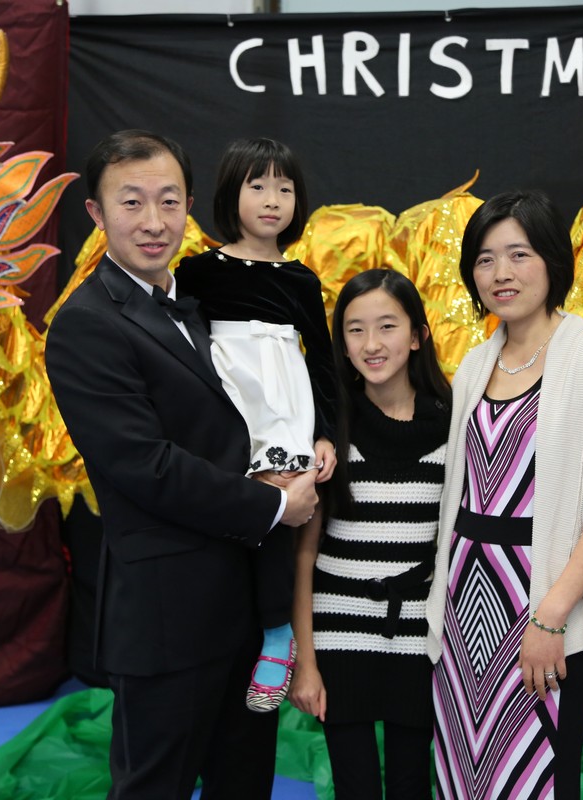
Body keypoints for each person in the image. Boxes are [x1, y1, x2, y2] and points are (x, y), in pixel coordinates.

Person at [44, 129, 319, 800]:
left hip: (244, 607)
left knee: (244, 785)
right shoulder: (86, 323)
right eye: (131, 202)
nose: (153, 221)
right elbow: (145, 465)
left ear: (189, 206)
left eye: (168, 202)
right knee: (154, 787)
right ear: (96, 212)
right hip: (166, 620)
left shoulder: (197, 307)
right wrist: (275, 504)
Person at [425, 190, 583, 800]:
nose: (501, 272)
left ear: (552, 260)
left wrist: (551, 617)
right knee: (461, 774)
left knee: (536, 778)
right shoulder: (475, 365)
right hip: (463, 608)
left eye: (518, 254)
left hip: (540, 605)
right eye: (485, 259)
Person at [174, 137, 336, 713]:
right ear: (230, 194)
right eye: (258, 186)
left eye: (284, 189)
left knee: (275, 520)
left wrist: (325, 434)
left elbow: (322, 362)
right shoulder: (197, 271)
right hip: (226, 411)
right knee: (226, 518)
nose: (272, 200)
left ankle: (276, 635)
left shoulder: (302, 280)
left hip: (283, 411)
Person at [289, 269, 451, 800]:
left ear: (417, 336)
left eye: (387, 326)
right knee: (354, 785)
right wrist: (306, 663)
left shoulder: (452, 424)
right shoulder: (329, 429)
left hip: (418, 635)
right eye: (355, 330)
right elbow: (305, 555)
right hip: (338, 633)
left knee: (411, 783)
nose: (371, 344)